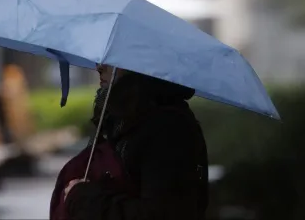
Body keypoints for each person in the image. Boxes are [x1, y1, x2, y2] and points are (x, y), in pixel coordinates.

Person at [51, 64, 209, 220]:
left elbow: (162, 213)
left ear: (140, 63)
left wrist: (83, 198)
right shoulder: (121, 120)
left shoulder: (168, 129)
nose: (99, 67)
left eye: (114, 60)